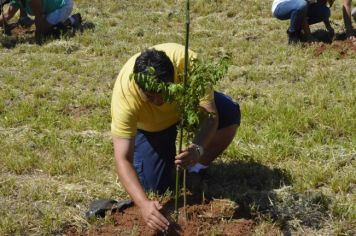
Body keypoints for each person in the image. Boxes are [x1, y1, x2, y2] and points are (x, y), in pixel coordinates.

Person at [111, 43, 241, 232]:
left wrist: (197, 148)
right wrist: (144, 204)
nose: (158, 102)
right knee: (153, 187)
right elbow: (122, 158)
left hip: (186, 109)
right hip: (152, 127)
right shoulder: (125, 95)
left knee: (229, 115)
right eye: (150, 96)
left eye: (163, 93)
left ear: (174, 79)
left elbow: (211, 117)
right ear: (139, 88)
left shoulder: (189, 64)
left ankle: (194, 168)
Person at [0, 0, 81, 41]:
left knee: (47, 34)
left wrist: (38, 35)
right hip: (48, 10)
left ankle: (73, 19)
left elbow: (39, 15)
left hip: (63, 6)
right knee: (44, 28)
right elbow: (7, 14)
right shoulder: (16, 0)